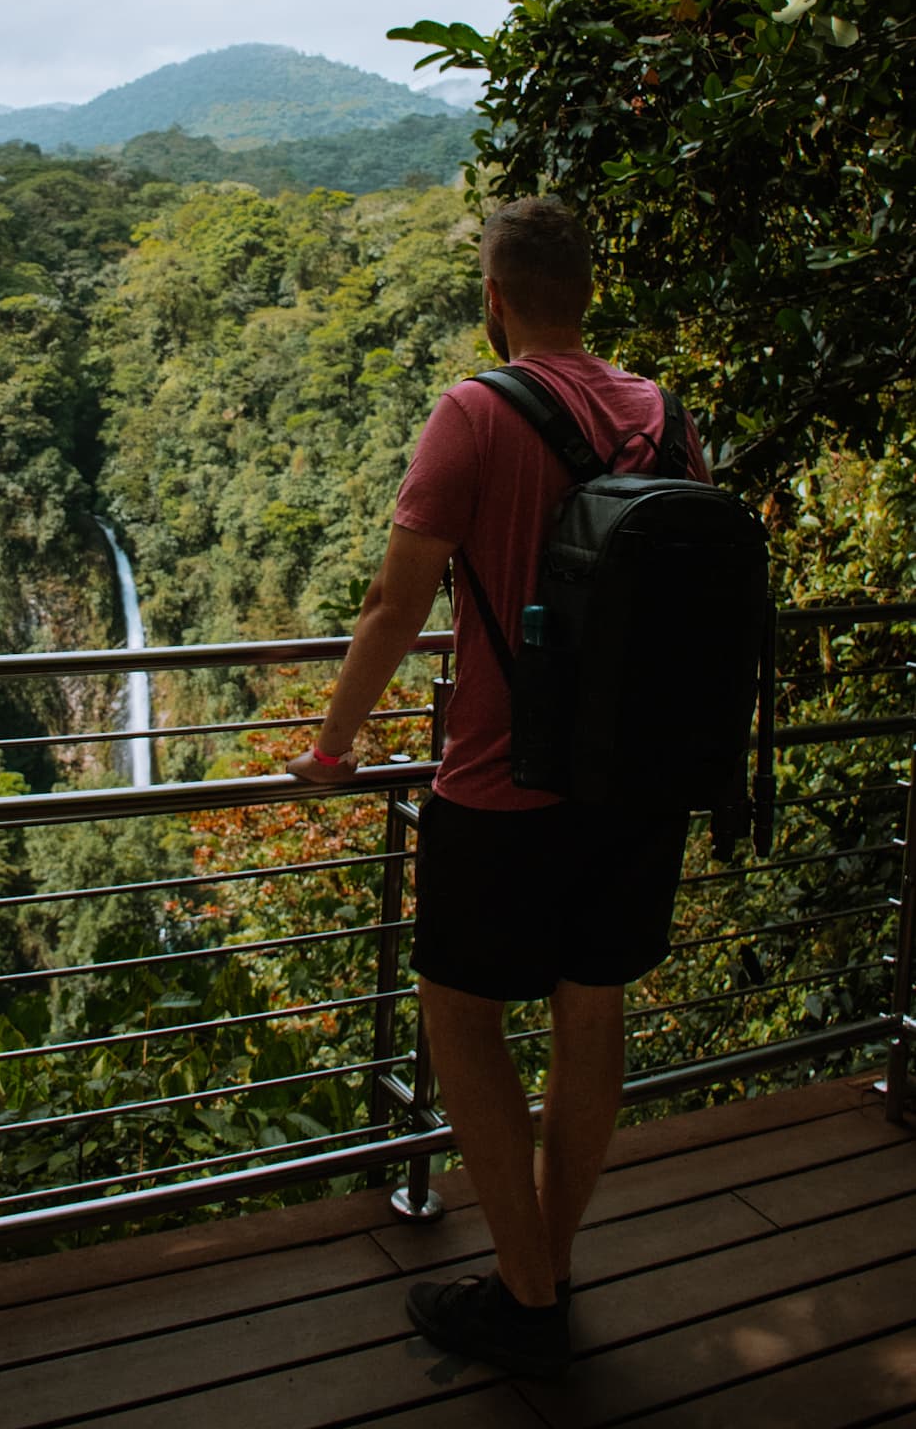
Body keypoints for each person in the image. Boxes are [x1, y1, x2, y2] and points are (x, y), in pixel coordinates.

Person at [287, 195, 707, 1382]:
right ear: (588, 292)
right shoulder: (666, 415)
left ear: (494, 298)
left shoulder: (475, 409)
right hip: (635, 782)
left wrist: (333, 748)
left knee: (462, 1016)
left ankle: (525, 1295)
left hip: (500, 779)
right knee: (592, 1008)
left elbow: (394, 601)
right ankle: (546, 1261)